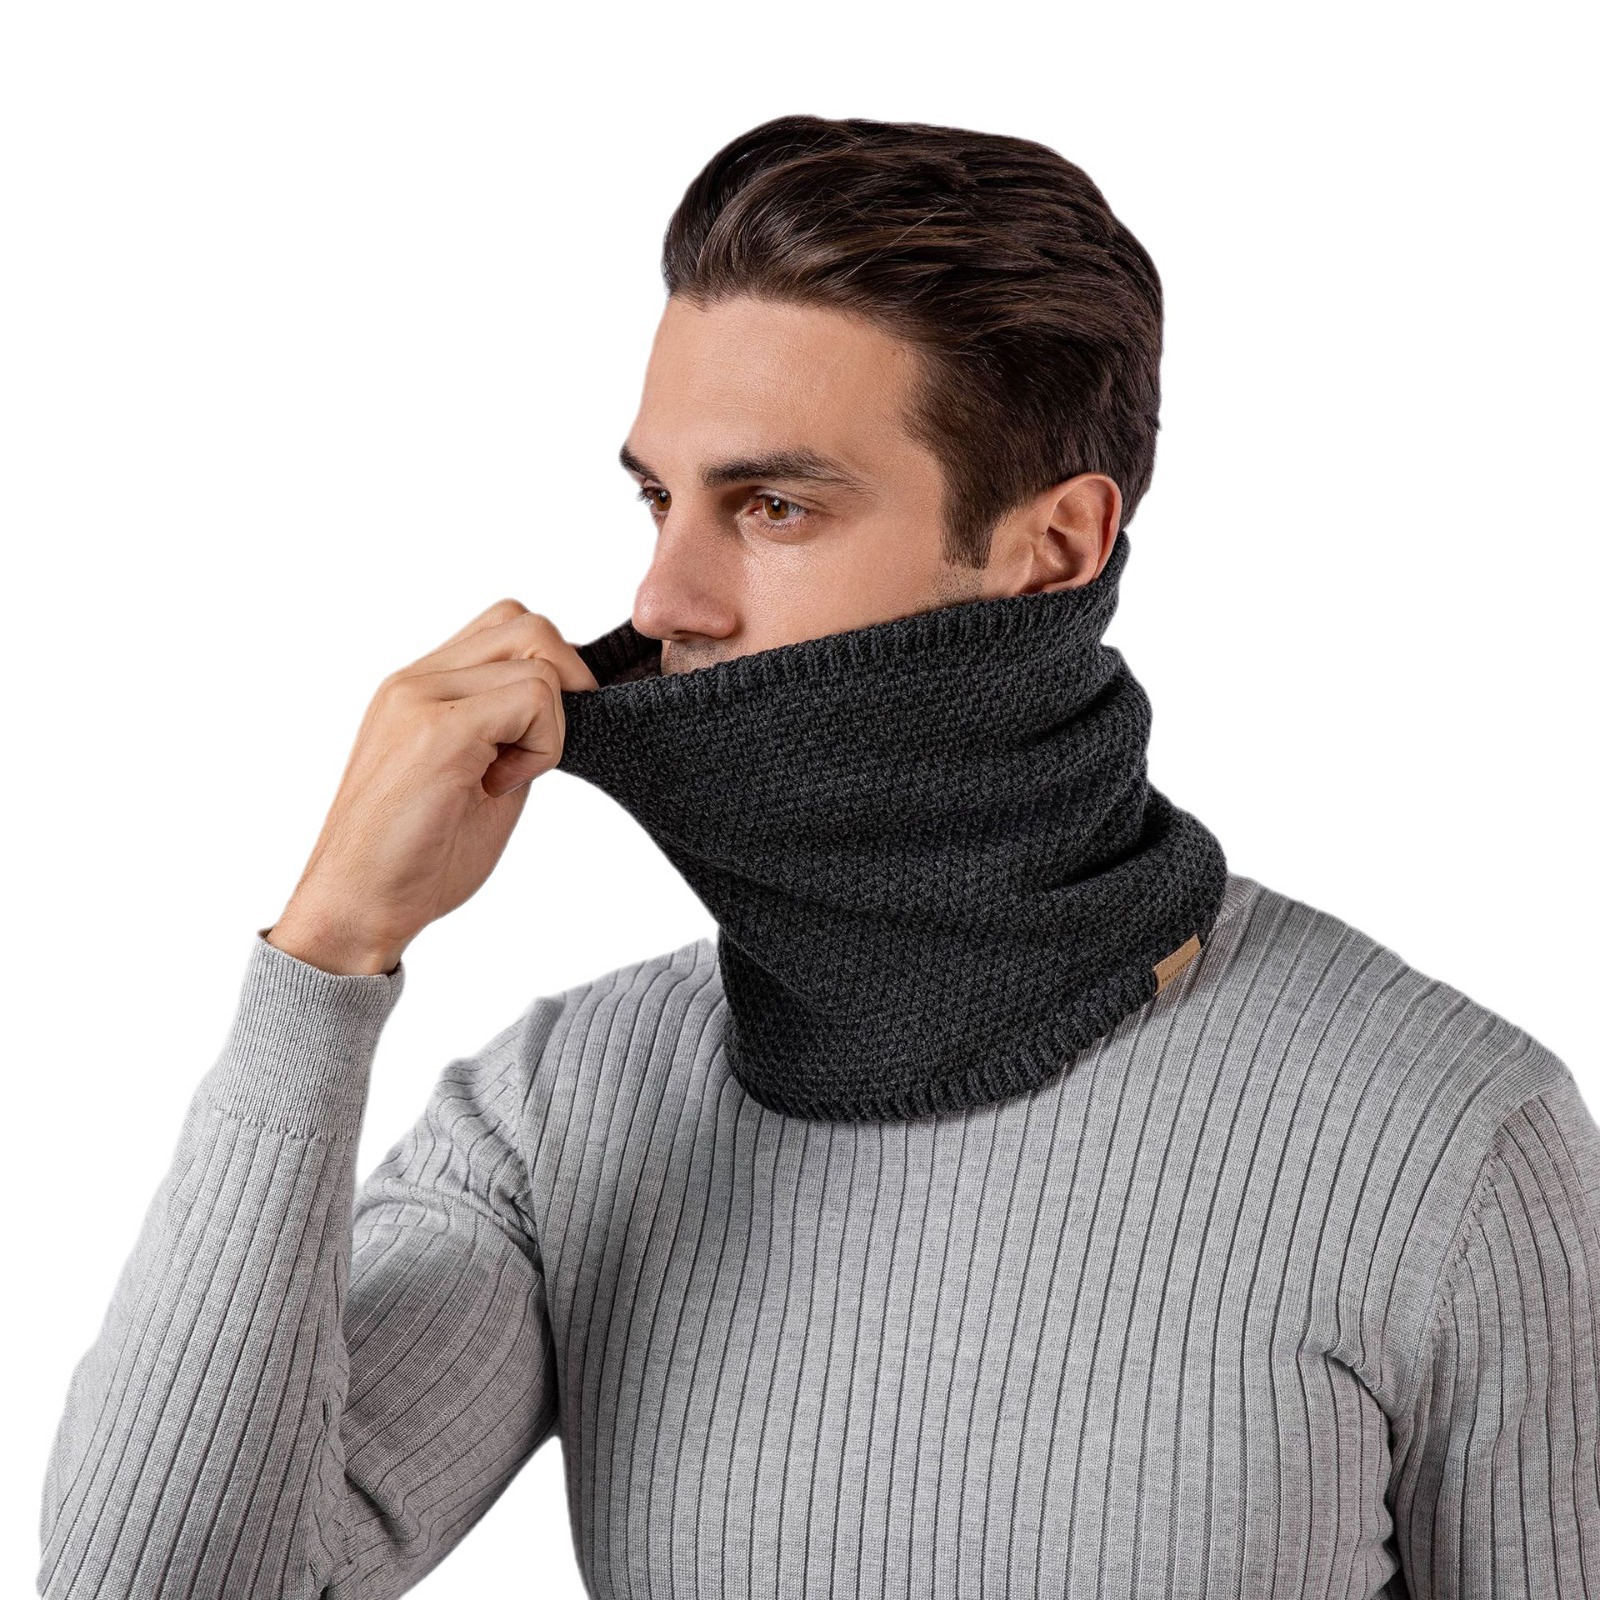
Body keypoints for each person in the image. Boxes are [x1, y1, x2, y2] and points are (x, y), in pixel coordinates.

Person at [36, 114, 1599, 1600]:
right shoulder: (565, 1115)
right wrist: (325, 956)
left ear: (1054, 543)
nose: (663, 603)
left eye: (774, 505)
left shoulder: (1452, 1139)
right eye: (659, 500)